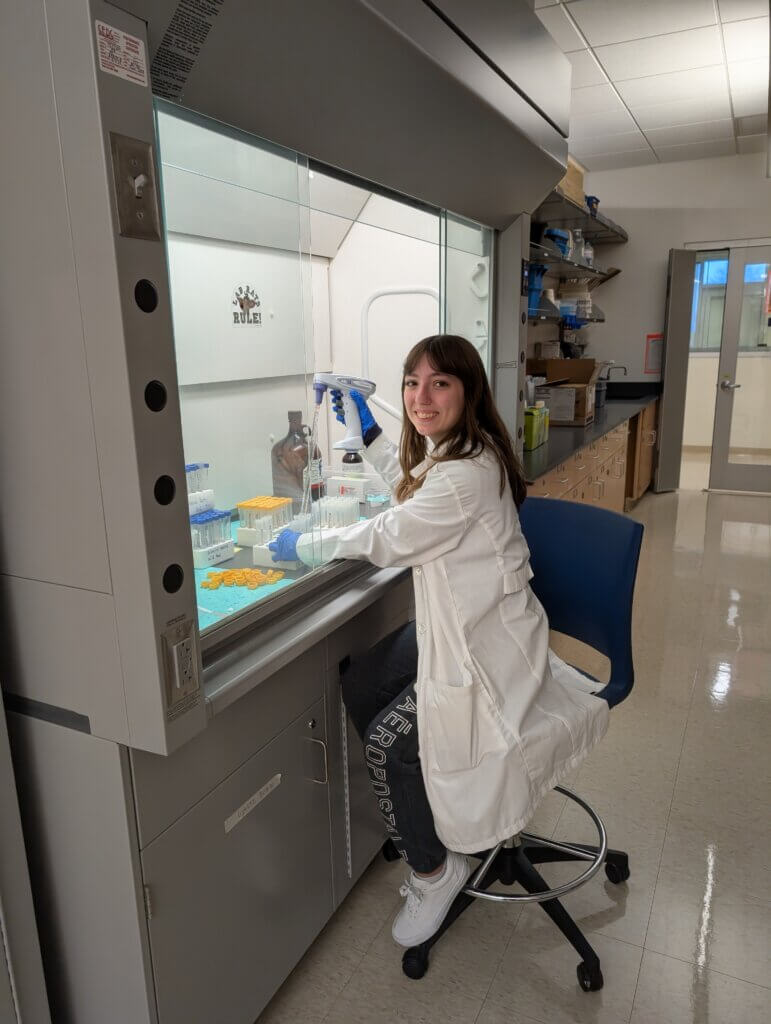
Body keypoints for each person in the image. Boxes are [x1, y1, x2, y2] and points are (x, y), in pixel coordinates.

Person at [269, 335, 609, 948]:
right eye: (411, 383)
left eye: (439, 384)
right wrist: (366, 429)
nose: (421, 397)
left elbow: (393, 534)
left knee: (388, 744)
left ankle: (434, 868)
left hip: (486, 655)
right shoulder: (459, 454)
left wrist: (307, 544)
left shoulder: (466, 475)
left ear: (468, 391)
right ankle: (420, 812)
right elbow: (413, 484)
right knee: (364, 681)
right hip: (459, 628)